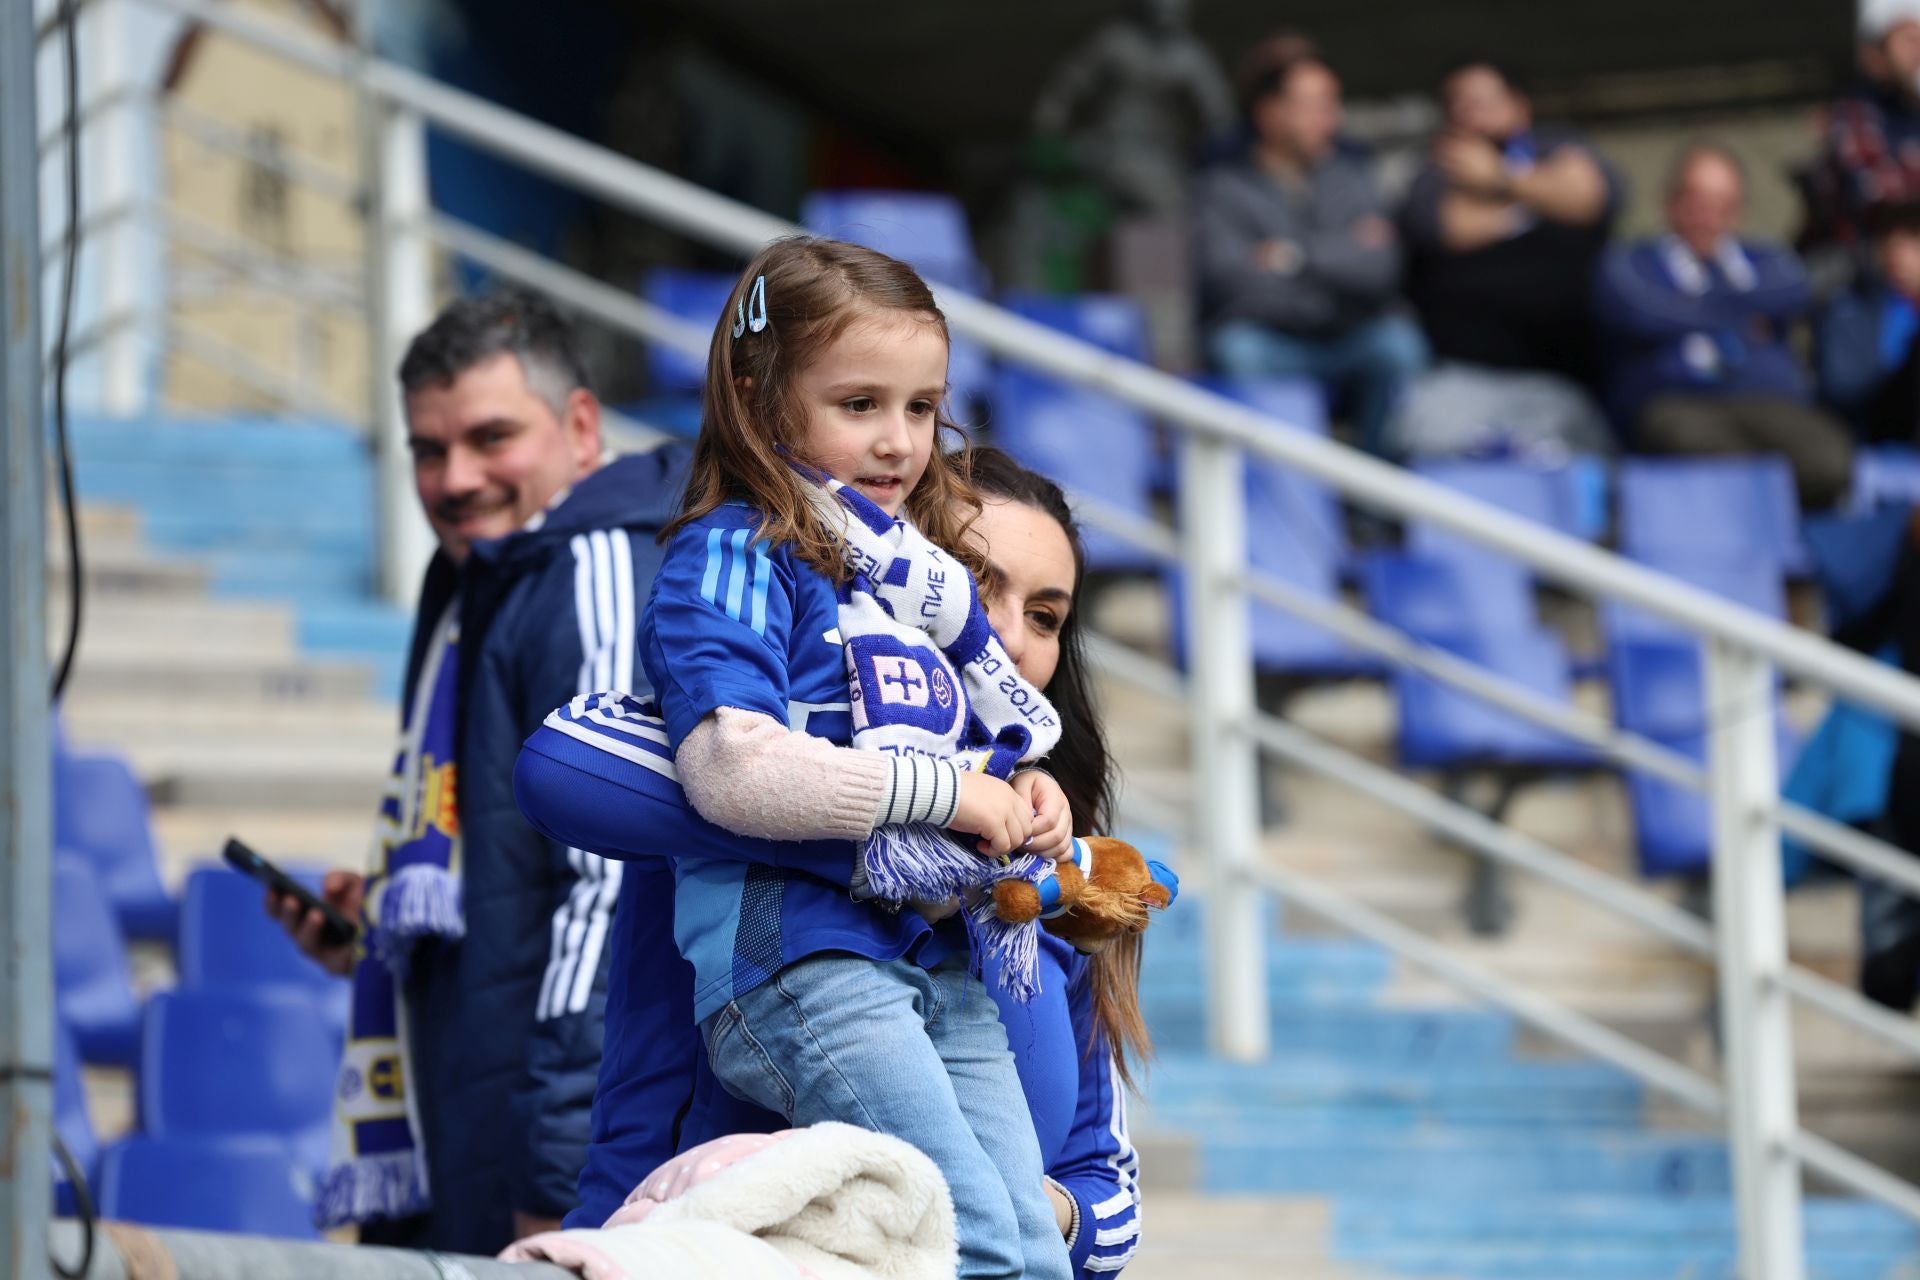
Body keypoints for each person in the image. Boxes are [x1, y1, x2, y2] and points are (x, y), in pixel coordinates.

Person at [514, 446, 1148, 1278]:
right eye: (973, 583)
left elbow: (1113, 1201)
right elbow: (560, 761)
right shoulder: (760, 776)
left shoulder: (1054, 878)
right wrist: (917, 814)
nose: (1007, 637)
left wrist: (1027, 1205)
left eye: (1045, 616)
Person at [571, 236, 1072, 1280]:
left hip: (926, 952)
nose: (899, 442)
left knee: (1033, 1245)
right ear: (757, 399)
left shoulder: (913, 571)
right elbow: (732, 766)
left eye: (922, 407)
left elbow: (950, 742)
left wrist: (1024, 792)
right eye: (860, 404)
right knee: (966, 1234)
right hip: (799, 959)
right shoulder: (736, 549)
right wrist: (950, 791)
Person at [264, 290, 691, 1254]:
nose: (454, 478)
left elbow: (610, 898)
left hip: (542, 1172)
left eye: (491, 438)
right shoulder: (482, 580)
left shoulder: (590, 572)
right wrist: (372, 936)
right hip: (462, 1128)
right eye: (427, 449)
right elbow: (503, 867)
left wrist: (557, 1177)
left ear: (581, 427)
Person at [1193, 49, 1426, 454]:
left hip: (1350, 334)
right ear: (1270, 113)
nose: (1330, 120)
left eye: (1333, 105)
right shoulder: (1222, 188)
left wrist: (1293, 258)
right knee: (1237, 350)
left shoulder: (1354, 177)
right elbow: (1230, 280)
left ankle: (1373, 503)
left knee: (1398, 345)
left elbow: (1381, 269)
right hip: (1272, 341)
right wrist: (1341, 258)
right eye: (1315, 106)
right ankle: (1292, 500)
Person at [1596, 144, 1852, 509]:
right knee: (1708, 455)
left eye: (1722, 203)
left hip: (1773, 405)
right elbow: (1634, 309)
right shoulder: (1633, 263)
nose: (1708, 215)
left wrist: (1681, 312)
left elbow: (1795, 291)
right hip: (1680, 407)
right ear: (1671, 202)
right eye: (1697, 200)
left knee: (1828, 459)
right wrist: (1745, 314)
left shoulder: (1768, 260)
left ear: (1739, 210)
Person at [1393, 59, 1620, 458]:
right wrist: (1537, 203)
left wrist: (1500, 178)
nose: (1469, 113)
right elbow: (1446, 226)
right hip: (1462, 379)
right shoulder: (1432, 172)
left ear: (1519, 107)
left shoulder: (1558, 144)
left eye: (1482, 101)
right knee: (1418, 435)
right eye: (1458, 104)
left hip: (1567, 381)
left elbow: (1587, 197)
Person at [1800, 0, 1920, 258]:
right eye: (1907, 39)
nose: (1917, 50)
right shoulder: (1854, 110)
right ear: (1875, 51)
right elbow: (1882, 194)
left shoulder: (1913, 109)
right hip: (1861, 260)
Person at [1821, 200, 1920, 443]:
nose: (1897, 250)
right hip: (1870, 441)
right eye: (1888, 237)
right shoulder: (1850, 306)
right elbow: (1842, 387)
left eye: (1911, 239)